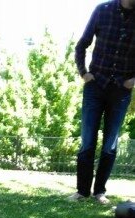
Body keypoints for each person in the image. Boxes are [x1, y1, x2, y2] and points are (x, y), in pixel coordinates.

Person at [69, 0, 135, 204]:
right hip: (95, 85)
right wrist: (84, 73)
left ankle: (100, 192)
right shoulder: (102, 10)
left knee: (110, 145)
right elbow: (82, 45)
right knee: (87, 140)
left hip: (121, 89)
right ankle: (82, 191)